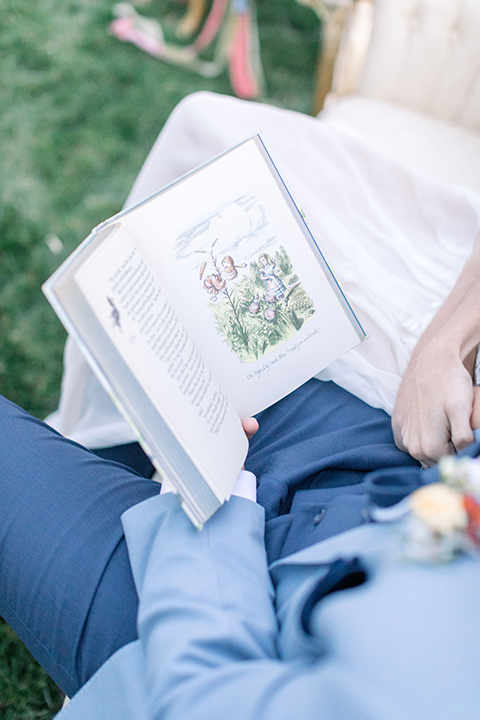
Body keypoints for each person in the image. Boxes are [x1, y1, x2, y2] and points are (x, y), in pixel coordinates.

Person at [2, 92, 480, 718]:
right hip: (390, 465)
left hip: (194, 614)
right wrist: (446, 345)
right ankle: (114, 453)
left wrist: (212, 494)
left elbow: (203, 695)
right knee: (219, 194)